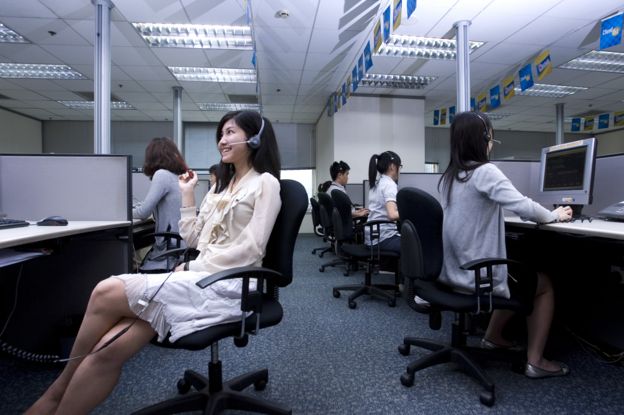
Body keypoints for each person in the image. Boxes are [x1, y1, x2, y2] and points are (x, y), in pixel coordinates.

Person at [26, 110, 282, 414]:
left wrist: (193, 267)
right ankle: (59, 397)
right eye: (221, 134)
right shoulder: (219, 187)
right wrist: (188, 197)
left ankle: (57, 389)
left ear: (254, 138)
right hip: (198, 279)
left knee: (106, 291)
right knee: (109, 350)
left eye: (230, 133)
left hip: (229, 284)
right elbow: (193, 242)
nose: (222, 141)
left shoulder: (265, 183)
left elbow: (252, 248)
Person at [438, 111, 572, 379]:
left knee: (514, 271)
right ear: (484, 139)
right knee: (542, 284)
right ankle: (535, 361)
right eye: (490, 136)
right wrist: (555, 215)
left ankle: (493, 336)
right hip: (476, 276)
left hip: (453, 272)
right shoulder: (485, 171)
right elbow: (524, 206)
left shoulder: (451, 177)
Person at [133, 137, 188, 272]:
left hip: (170, 249)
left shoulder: (162, 174)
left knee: (132, 252)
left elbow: (143, 212)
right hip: (180, 243)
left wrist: (122, 212)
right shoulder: (176, 175)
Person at [365, 151, 402, 254]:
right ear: (392, 166)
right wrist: (411, 212)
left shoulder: (377, 184)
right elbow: (392, 215)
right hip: (383, 238)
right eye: (400, 166)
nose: (400, 170)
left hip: (372, 237)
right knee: (416, 245)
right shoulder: (389, 184)